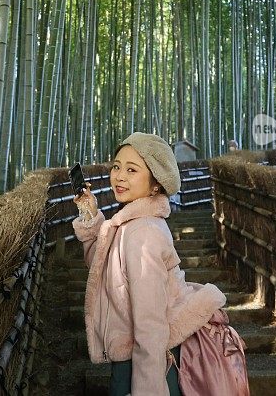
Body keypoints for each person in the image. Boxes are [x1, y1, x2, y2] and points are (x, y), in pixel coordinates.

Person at [72, 132, 227, 396]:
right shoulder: (130, 224)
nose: (119, 176)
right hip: (137, 354)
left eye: (132, 170)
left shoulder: (144, 234)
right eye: (117, 167)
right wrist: (90, 216)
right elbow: (103, 268)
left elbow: (150, 324)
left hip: (151, 361)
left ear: (156, 183)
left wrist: (149, 388)